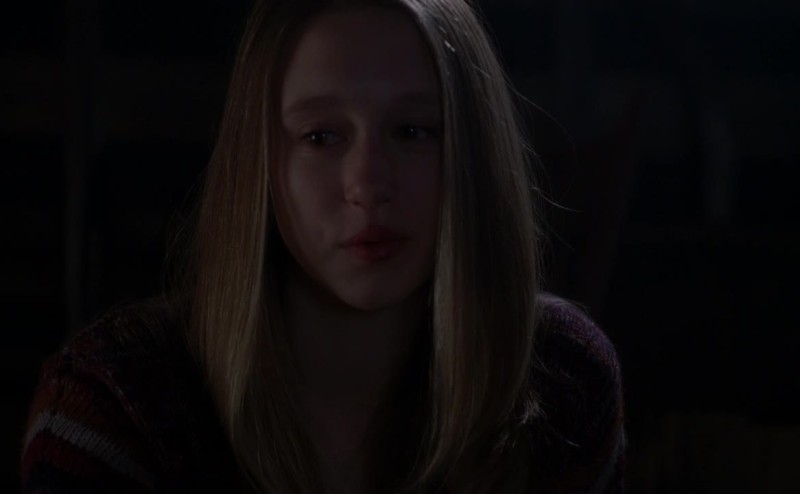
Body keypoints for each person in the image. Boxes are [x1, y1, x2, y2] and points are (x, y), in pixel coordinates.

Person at [20, 0, 624, 492]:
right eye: (321, 136)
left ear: (476, 154)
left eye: (413, 131)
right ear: (259, 161)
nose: (368, 185)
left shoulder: (562, 379)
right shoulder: (118, 404)